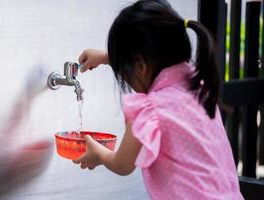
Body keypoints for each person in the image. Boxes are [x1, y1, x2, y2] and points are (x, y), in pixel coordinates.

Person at [73, 0, 243, 199]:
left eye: (126, 72)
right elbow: (146, 62)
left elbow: (122, 164)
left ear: (139, 65)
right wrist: (109, 57)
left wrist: (98, 154)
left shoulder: (150, 109)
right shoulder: (197, 87)